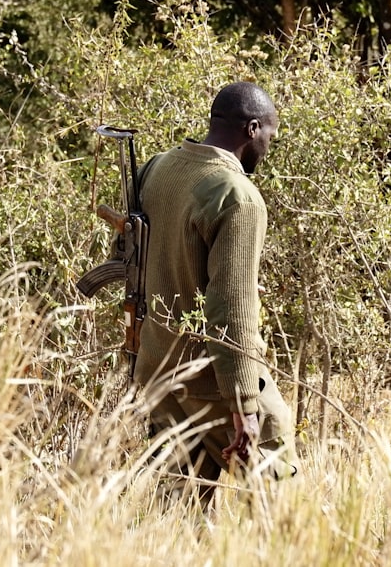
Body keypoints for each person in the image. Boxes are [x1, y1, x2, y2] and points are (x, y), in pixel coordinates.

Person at [135, 81, 298, 506]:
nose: (268, 146)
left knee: (177, 513)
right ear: (253, 130)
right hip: (210, 381)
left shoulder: (158, 167)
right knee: (276, 500)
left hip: (157, 373)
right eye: (269, 137)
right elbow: (232, 308)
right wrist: (244, 405)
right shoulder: (237, 196)